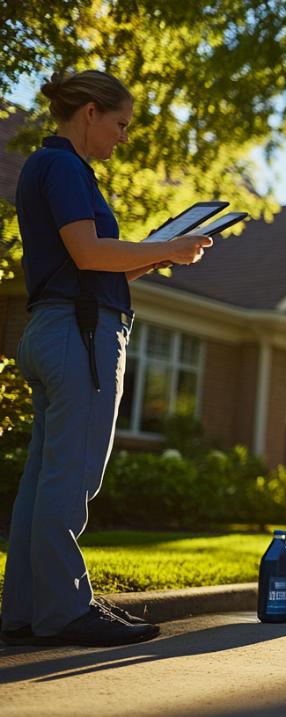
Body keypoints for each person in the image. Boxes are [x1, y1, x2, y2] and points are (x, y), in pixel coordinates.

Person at [0, 70, 213, 647]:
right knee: (70, 479)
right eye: (119, 124)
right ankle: (67, 610)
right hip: (81, 333)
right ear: (89, 112)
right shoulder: (66, 167)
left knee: (45, 479)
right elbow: (89, 252)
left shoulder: (48, 167)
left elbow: (91, 262)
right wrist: (165, 244)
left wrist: (159, 257)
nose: (123, 137)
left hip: (56, 327)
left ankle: (25, 610)